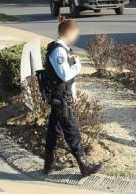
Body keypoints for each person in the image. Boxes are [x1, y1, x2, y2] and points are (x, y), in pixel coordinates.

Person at [43, 18, 103, 177]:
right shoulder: (58, 51)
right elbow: (64, 75)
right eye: (75, 34)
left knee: (54, 129)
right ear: (68, 32)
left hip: (63, 94)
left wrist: (73, 92)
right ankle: (84, 166)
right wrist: (78, 66)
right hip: (59, 96)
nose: (76, 38)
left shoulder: (64, 49)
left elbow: (68, 78)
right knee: (72, 129)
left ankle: (49, 163)